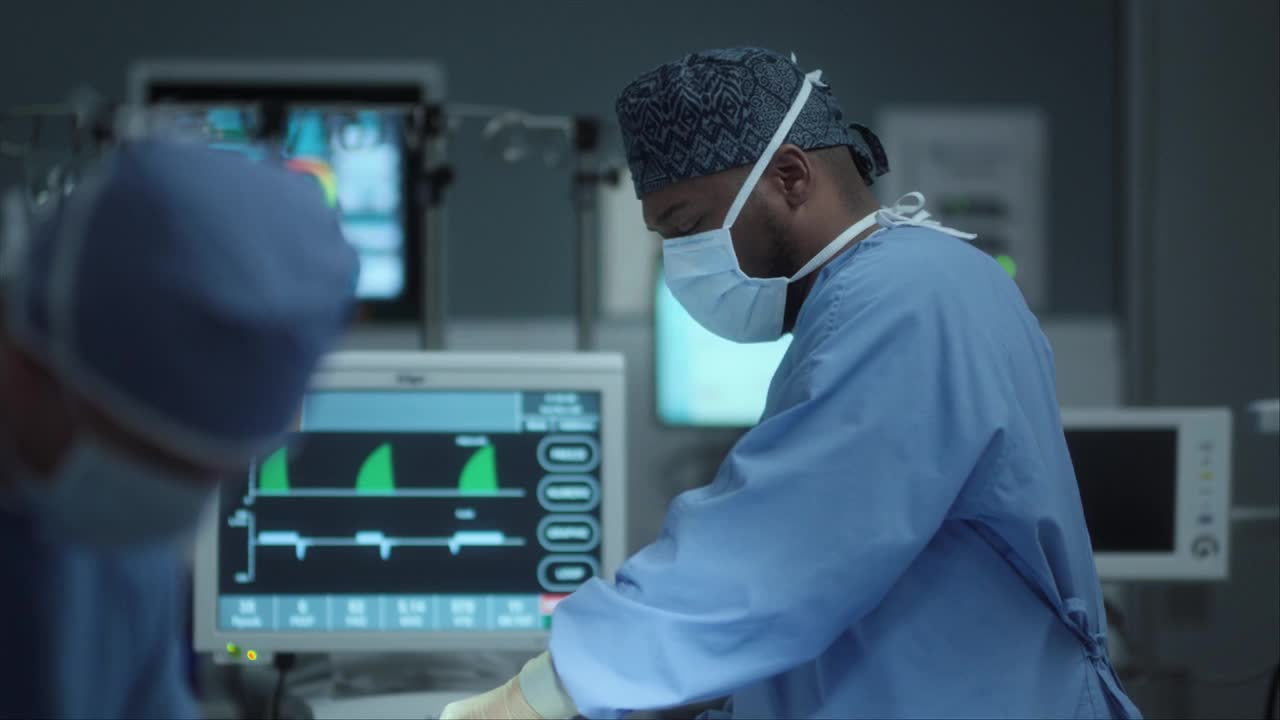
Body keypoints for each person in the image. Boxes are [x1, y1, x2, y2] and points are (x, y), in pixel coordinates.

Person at [442, 47, 1144, 720]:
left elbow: (773, 556)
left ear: (790, 177)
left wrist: (538, 694)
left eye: (687, 226)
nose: (680, 259)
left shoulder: (907, 300)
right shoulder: (887, 289)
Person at [0, 139, 358, 718]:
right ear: (27, 367)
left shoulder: (122, 558)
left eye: (206, 478)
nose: (173, 511)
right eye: (149, 464)